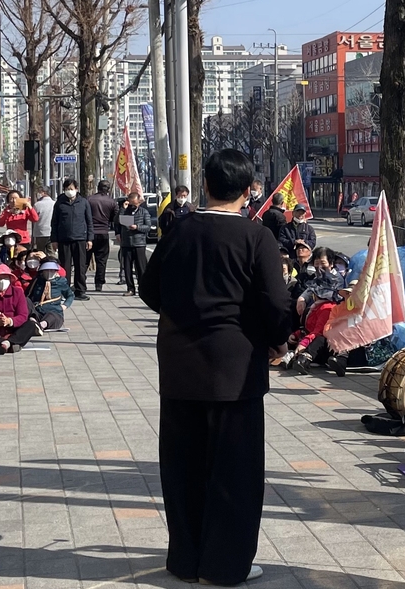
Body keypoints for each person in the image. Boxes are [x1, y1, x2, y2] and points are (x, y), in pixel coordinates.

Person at [139, 149, 290, 586]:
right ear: (248, 192)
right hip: (235, 369)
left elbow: (150, 290)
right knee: (235, 472)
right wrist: (274, 336)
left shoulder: (180, 229)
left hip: (180, 365)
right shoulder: (256, 238)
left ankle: (186, 561)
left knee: (182, 466)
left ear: (205, 185)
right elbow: (277, 305)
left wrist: (185, 312)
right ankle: (225, 567)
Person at [50, 179, 94, 301]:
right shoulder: (59, 203)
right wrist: (54, 239)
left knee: (80, 266)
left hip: (80, 238)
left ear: (77, 189)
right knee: (65, 267)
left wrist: (90, 239)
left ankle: (80, 290)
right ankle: (65, 290)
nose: (70, 191)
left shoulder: (84, 202)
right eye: (67, 188)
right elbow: (54, 223)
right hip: (64, 239)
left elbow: (89, 222)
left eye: (71, 188)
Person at [117, 191, 151, 296]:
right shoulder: (124, 211)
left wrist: (137, 227)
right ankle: (130, 288)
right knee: (127, 267)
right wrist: (123, 209)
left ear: (138, 202)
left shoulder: (144, 212)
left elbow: (148, 227)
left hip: (139, 243)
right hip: (126, 243)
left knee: (141, 267)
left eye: (134, 204)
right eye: (130, 204)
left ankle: (143, 288)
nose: (132, 206)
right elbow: (117, 221)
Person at [88, 180, 119, 292]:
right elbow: (115, 219)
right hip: (103, 232)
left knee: (84, 260)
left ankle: (81, 280)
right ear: (108, 189)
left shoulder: (89, 200)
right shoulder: (112, 202)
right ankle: (99, 283)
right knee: (101, 260)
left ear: (98, 187)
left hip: (89, 233)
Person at [29, 260, 75, 331]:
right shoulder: (37, 281)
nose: (49, 273)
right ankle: (32, 323)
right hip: (38, 310)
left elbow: (70, 295)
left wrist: (64, 305)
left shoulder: (61, 282)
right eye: (46, 270)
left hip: (54, 312)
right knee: (27, 304)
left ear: (56, 271)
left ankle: (41, 325)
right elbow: (28, 295)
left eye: (52, 270)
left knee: (52, 317)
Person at [32, 189, 56, 255]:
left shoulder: (37, 205)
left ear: (44, 193)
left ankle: (42, 265)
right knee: (51, 252)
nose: (38, 194)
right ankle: (52, 264)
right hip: (52, 232)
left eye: (39, 192)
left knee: (40, 253)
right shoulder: (55, 204)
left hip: (40, 232)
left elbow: (33, 218)